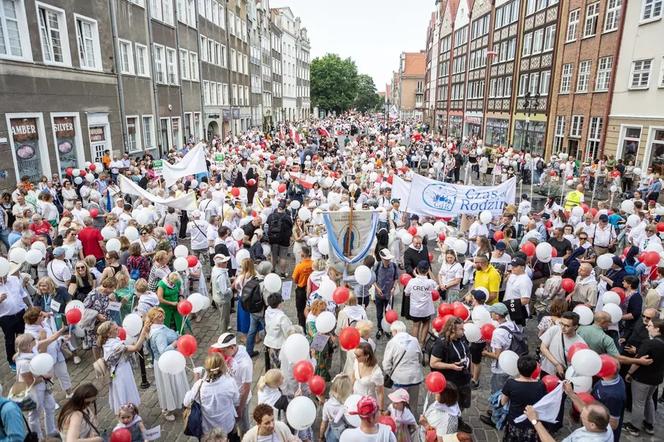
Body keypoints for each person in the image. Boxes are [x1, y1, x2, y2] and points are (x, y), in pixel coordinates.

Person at [144, 307, 189, 422]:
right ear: (153, 319)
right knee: (168, 385)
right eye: (159, 316)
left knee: (175, 383)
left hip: (170, 360)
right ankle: (167, 409)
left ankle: (181, 401)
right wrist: (175, 343)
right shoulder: (158, 334)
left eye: (162, 314)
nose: (162, 317)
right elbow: (163, 351)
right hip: (166, 364)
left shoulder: (158, 327)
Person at [623, 318, 664, 437]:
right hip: (656, 378)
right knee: (649, 399)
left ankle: (634, 427)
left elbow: (638, 361)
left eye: (650, 325)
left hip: (643, 378)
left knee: (638, 403)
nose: (647, 327)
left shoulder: (649, 343)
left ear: (657, 329)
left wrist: (629, 373)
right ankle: (649, 424)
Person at [96, 320, 148, 414]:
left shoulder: (110, 341)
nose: (119, 330)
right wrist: (143, 334)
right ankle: (126, 414)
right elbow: (136, 348)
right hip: (121, 373)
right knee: (124, 393)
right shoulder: (115, 346)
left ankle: (129, 414)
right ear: (109, 333)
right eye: (116, 329)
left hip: (121, 370)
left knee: (125, 393)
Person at [183, 353, 240, 439]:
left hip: (208, 431)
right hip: (227, 426)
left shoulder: (199, 385)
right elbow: (236, 401)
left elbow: (186, 402)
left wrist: (196, 380)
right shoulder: (230, 382)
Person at [211, 333, 253, 435]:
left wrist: (240, 408)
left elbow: (246, 388)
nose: (221, 353)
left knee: (243, 427)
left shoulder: (244, 365)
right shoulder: (239, 348)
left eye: (223, 350)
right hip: (230, 397)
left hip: (239, 401)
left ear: (232, 347)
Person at [500, 356, 547, 442]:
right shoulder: (541, 385)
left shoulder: (511, 383)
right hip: (532, 423)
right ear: (534, 369)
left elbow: (503, 402)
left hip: (514, 422)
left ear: (518, 368)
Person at [430, 317, 472, 410]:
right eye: (461, 329)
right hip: (450, 383)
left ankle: (458, 419)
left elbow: (468, 353)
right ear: (453, 329)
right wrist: (451, 366)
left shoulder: (462, 337)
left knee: (462, 405)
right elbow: (433, 363)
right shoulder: (442, 343)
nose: (463, 331)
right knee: (450, 406)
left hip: (464, 379)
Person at [382, 320, 423, 415]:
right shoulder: (414, 340)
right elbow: (420, 358)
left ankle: (399, 422)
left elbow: (386, 364)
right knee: (413, 404)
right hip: (415, 378)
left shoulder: (392, 342)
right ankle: (412, 423)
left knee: (398, 404)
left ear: (395, 331)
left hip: (399, 379)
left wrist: (391, 373)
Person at [526, 402, 614, 442]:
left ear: (592, 425)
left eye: (582, 417)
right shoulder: (605, 424)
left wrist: (535, 421)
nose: (580, 415)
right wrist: (570, 393)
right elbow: (585, 410)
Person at [403, 261, 436, 345]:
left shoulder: (412, 281)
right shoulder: (430, 282)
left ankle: (414, 345)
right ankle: (422, 344)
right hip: (426, 309)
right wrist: (430, 273)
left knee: (415, 325)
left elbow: (406, 293)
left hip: (415, 309)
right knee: (425, 324)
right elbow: (436, 286)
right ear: (428, 270)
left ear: (417, 269)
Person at [320, 374, 354, 442]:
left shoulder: (327, 405)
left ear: (333, 388)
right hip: (349, 433)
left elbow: (324, 424)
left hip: (334, 433)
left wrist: (321, 436)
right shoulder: (351, 402)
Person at [352, 342, 385, 410]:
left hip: (367, 401)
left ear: (367, 356)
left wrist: (381, 410)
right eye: (355, 354)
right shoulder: (356, 361)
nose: (355, 357)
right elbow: (353, 376)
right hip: (355, 394)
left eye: (358, 356)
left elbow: (380, 393)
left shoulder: (376, 373)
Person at [263, 293, 292, 370]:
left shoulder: (267, 311)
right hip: (279, 345)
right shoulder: (282, 317)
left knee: (272, 365)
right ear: (279, 304)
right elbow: (288, 331)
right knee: (281, 367)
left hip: (269, 342)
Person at [374, 248, 399, 337]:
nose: (388, 261)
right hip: (379, 295)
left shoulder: (394, 266)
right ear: (382, 259)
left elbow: (396, 278)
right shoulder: (377, 266)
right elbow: (373, 279)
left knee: (388, 314)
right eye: (386, 260)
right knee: (379, 314)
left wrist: (394, 287)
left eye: (389, 260)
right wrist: (377, 288)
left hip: (389, 296)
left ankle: (387, 329)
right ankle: (380, 329)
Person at [266, 201, 293, 277]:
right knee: (283, 257)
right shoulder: (287, 217)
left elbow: (267, 224)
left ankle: (272, 270)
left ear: (278, 208)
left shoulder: (271, 216)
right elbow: (291, 226)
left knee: (273, 256)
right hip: (284, 240)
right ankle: (282, 273)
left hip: (273, 239)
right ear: (285, 209)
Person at [292, 245, 313, 328]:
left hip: (301, 289)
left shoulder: (299, 266)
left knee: (300, 309)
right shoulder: (313, 263)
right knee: (310, 308)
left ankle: (302, 326)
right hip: (311, 289)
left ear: (303, 255)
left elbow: (294, 279)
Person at [211, 254, 233, 332]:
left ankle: (226, 326)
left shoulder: (215, 269)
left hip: (216, 297)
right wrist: (232, 287)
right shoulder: (221, 276)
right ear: (220, 264)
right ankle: (223, 333)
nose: (227, 263)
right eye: (225, 262)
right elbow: (224, 291)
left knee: (222, 315)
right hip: (223, 300)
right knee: (224, 317)